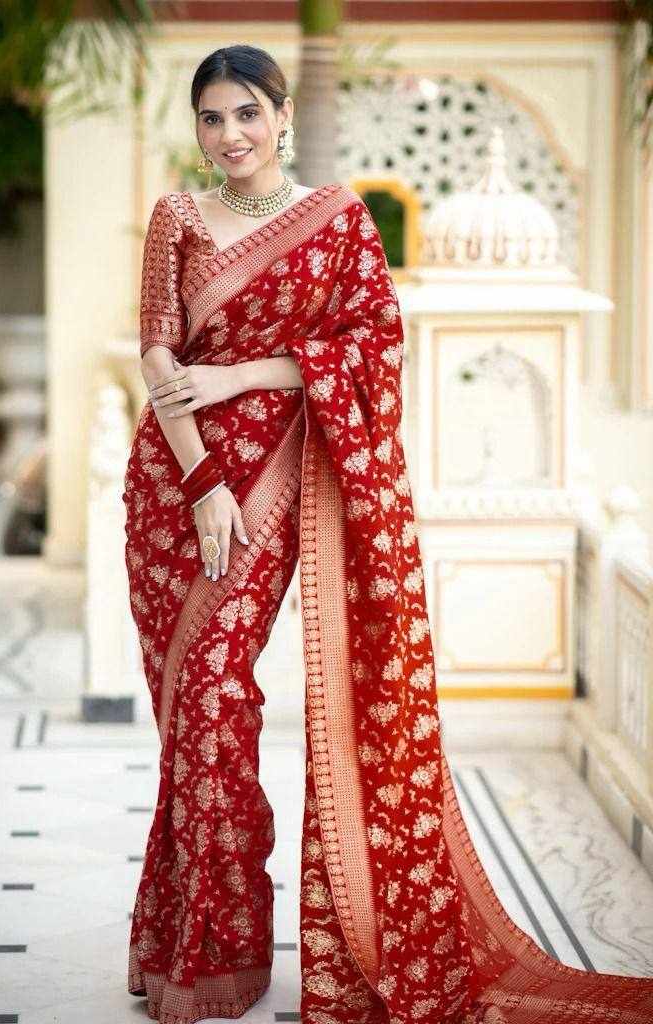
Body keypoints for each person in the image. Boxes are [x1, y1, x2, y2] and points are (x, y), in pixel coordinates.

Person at [122, 43, 653, 1024]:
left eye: (248, 113)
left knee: (219, 696)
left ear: (283, 115)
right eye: (213, 117)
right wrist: (200, 482)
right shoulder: (178, 218)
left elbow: (373, 344)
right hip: (177, 485)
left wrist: (242, 374)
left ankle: (217, 951)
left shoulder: (336, 220)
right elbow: (156, 346)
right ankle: (190, 947)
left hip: (283, 476)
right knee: (193, 715)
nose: (231, 134)